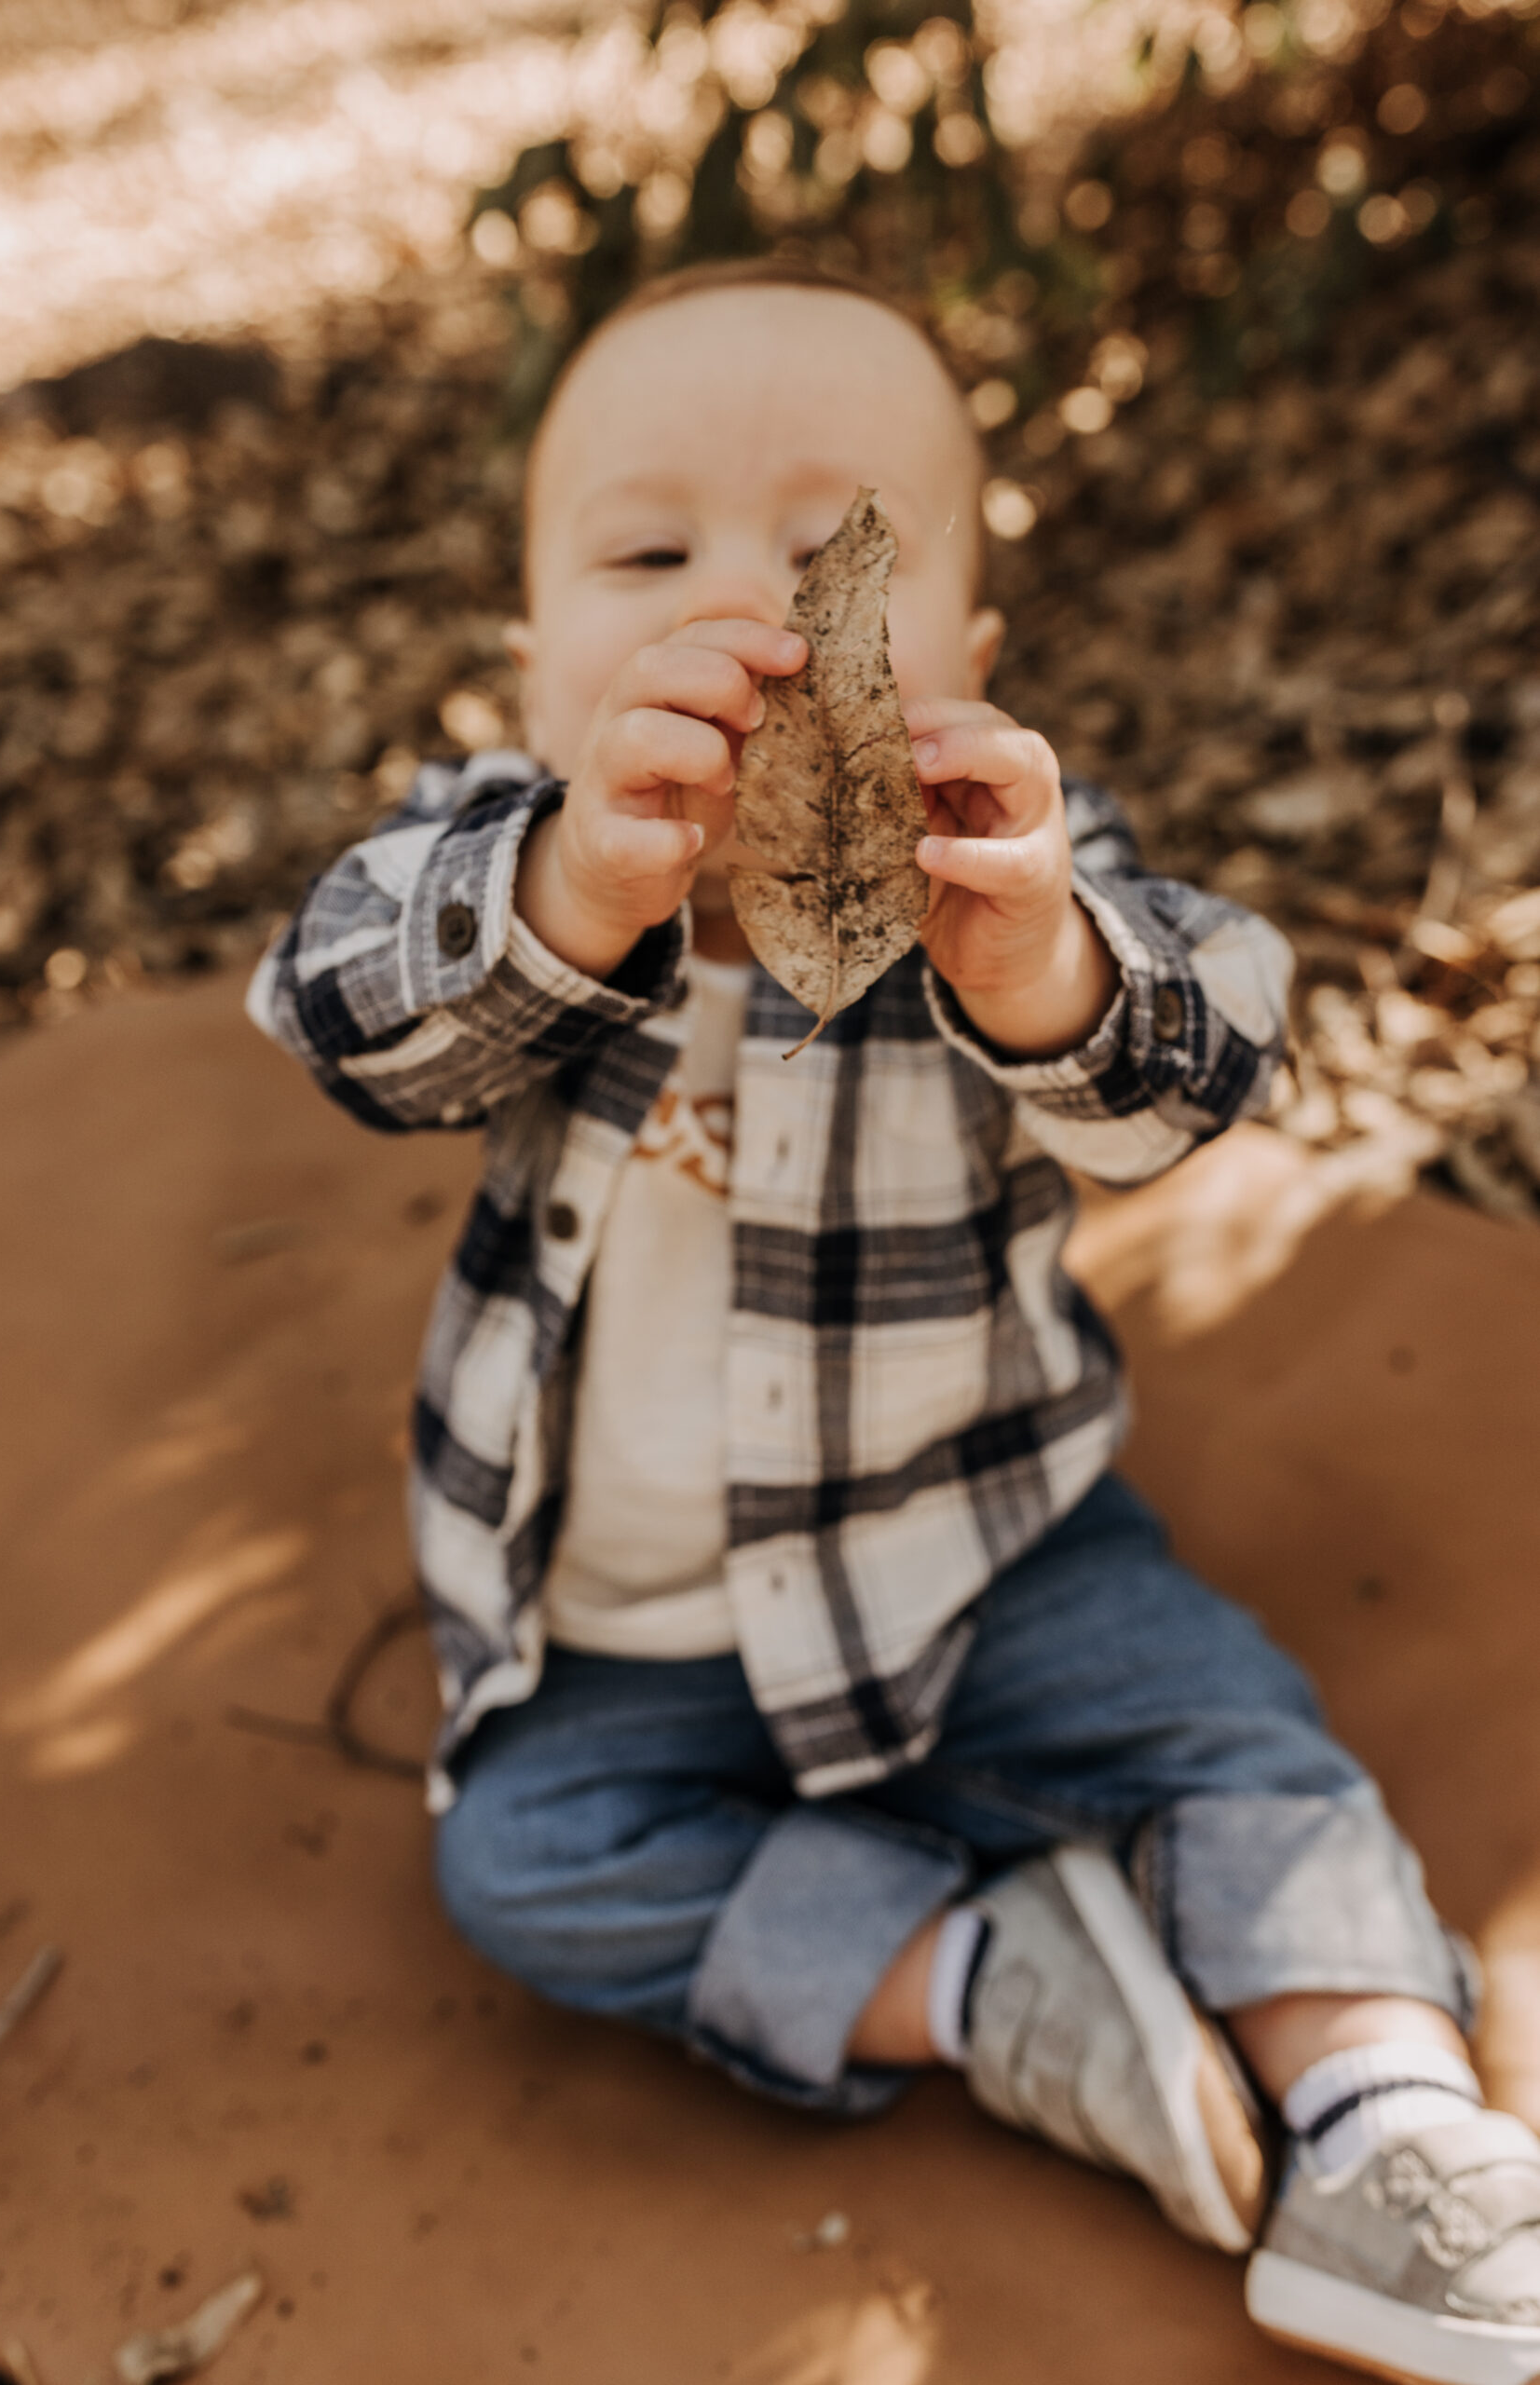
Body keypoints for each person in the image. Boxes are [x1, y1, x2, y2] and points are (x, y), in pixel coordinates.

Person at [249, 259, 1540, 2382]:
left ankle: (1387, 2119)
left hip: (982, 1554)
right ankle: (988, 1979)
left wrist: (1034, 962)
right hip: (621, 1640)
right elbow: (340, 1017)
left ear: (965, 651)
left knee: (1242, 1742)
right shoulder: (488, 864)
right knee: (517, 1867)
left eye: (838, 553)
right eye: (650, 552)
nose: (745, 612)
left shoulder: (1015, 880)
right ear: (525, 662)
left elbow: (1205, 1047)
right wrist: (572, 889)